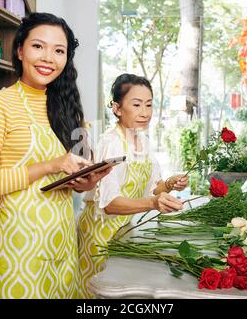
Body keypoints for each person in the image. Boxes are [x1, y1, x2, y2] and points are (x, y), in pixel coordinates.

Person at [0, 13, 110, 299]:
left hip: (62, 242)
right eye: (38, 47)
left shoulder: (69, 108)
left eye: (59, 51)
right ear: (20, 50)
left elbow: (76, 174)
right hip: (18, 247)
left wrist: (87, 181)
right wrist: (50, 165)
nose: (48, 58)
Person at [77, 73, 189, 298]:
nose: (145, 112)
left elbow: (152, 189)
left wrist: (169, 183)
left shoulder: (142, 141)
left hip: (123, 230)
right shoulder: (112, 143)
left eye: (149, 105)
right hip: (100, 235)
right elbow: (109, 204)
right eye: (136, 104)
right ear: (117, 108)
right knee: (98, 294)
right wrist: (153, 203)